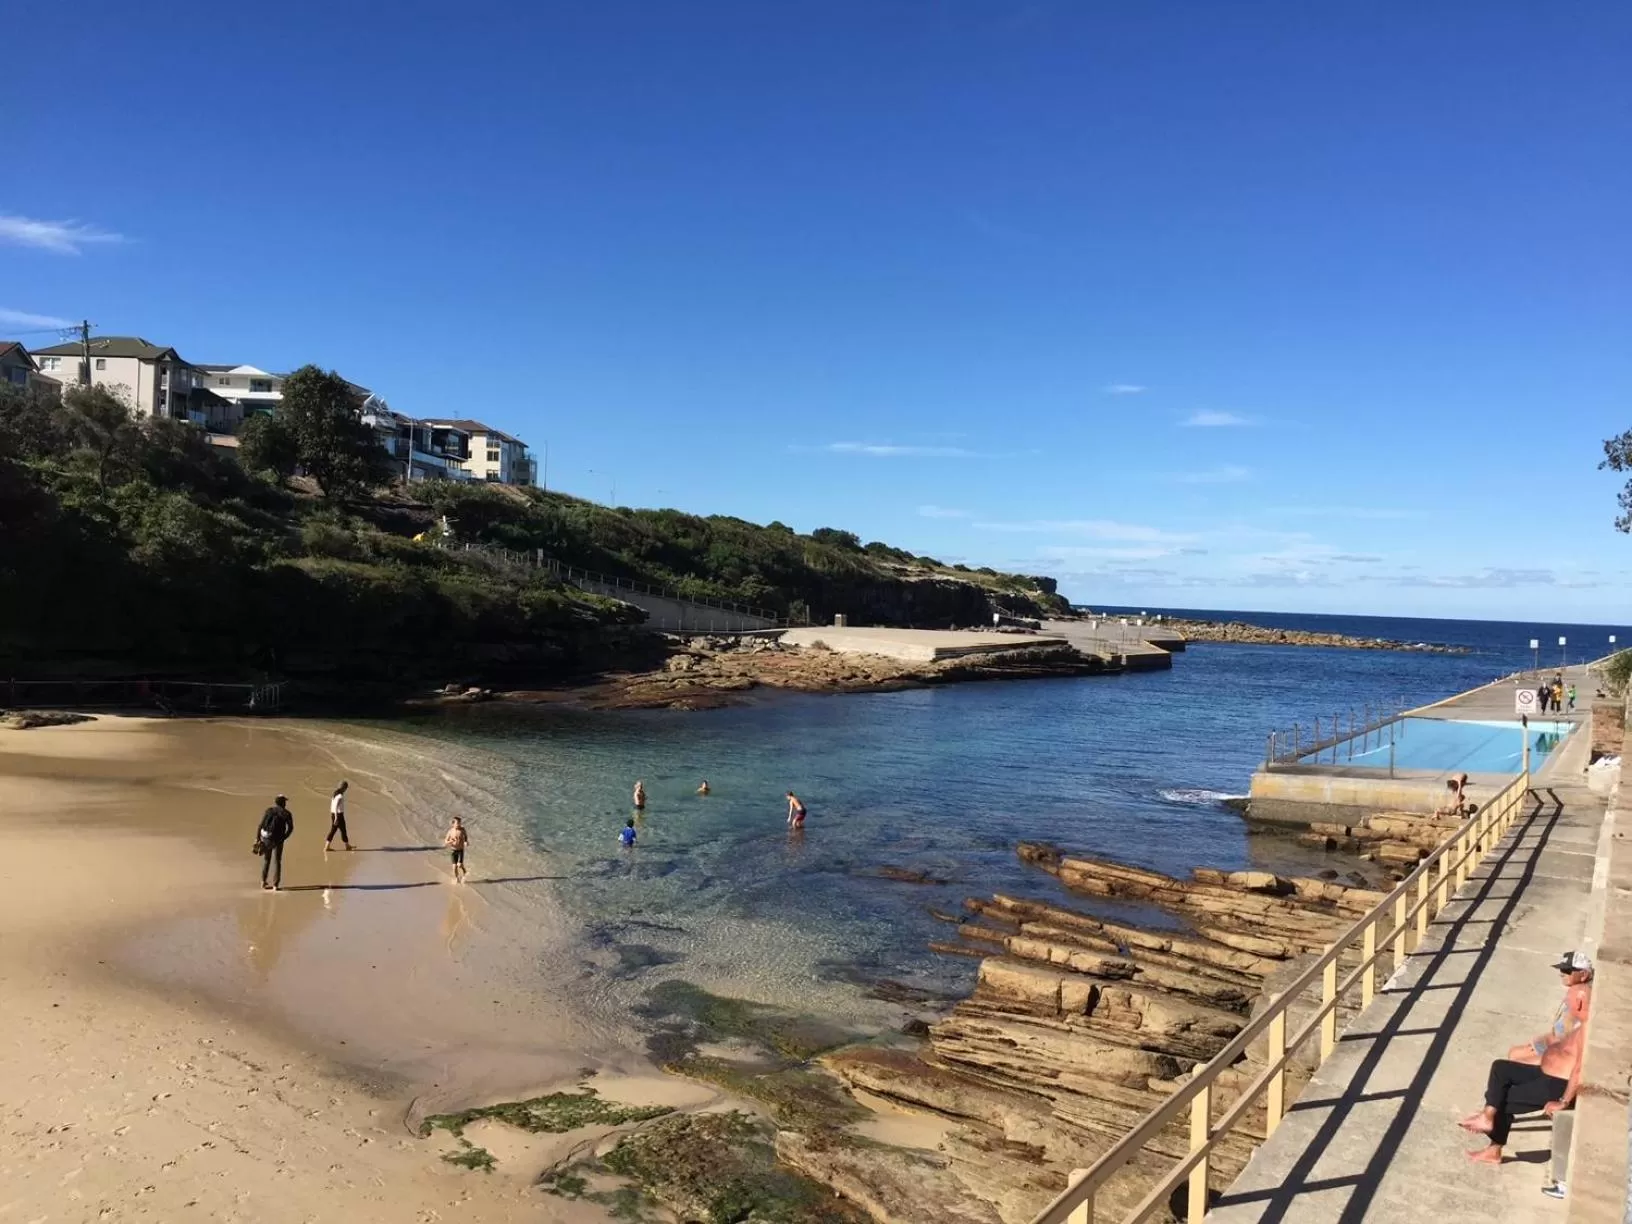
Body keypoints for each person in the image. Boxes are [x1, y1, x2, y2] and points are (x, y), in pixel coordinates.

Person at [1462, 952, 1592, 1164]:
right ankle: (1487, 1115)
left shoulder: (1588, 1029)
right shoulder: (1582, 1022)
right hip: (1547, 1071)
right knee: (1501, 1068)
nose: (1567, 1003)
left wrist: (1563, 1101)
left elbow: (1579, 1069)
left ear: (1578, 1004)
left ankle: (1494, 1148)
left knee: (1502, 1100)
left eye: (1569, 1001)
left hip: (1556, 1084)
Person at [1507, 952, 1593, 1064]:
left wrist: (1543, 1043)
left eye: (1567, 971)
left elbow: (1567, 1038)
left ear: (1583, 974)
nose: (1562, 974)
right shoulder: (1576, 989)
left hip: (1560, 1052)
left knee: (1516, 1060)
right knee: (1513, 1053)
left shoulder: (1581, 997)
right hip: (1553, 1045)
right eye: (1561, 970)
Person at [255, 795, 294, 891]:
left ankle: (263, 882)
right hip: (278, 839)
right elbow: (291, 828)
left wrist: (258, 838)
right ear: (283, 803)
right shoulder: (286, 813)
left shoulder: (269, 810)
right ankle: (275, 885)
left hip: (266, 838)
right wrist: (284, 837)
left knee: (266, 860)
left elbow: (261, 825)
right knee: (277, 861)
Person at [325, 780, 352, 851]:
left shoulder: (335, 794)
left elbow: (333, 806)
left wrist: (334, 815)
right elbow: (336, 806)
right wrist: (336, 817)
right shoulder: (340, 796)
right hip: (338, 815)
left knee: (335, 830)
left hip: (334, 814)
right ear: (344, 788)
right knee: (342, 830)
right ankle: (347, 846)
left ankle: (346, 845)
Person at [443, 816, 469, 883]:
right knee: (454, 867)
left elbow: (465, 836)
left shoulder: (462, 829)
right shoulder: (450, 831)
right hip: (453, 851)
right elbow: (445, 841)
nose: (459, 825)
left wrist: (466, 841)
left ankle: (465, 872)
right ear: (453, 824)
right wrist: (449, 842)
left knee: (459, 865)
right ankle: (457, 878)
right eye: (457, 823)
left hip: (460, 850)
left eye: (460, 823)